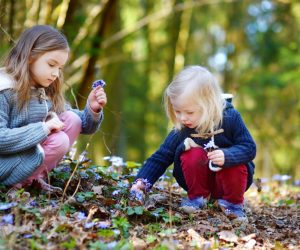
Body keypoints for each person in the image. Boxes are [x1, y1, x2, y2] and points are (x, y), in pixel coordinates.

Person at [131, 65, 256, 223]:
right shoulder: (183, 128)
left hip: (230, 184)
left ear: (209, 104)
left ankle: (232, 205)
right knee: (190, 153)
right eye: (178, 111)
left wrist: (228, 155)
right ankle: (198, 198)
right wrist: (142, 182)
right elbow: (161, 157)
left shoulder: (230, 118)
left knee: (235, 162)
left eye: (189, 112)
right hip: (199, 182)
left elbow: (249, 147)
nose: (183, 118)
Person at [0, 25, 107, 192]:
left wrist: (93, 109)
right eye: (51, 64)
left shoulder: (45, 90)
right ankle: (14, 186)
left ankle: (33, 179)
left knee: (72, 119)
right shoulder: (4, 88)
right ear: (29, 56)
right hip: (4, 163)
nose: (56, 73)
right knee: (59, 141)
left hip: (23, 159)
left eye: (59, 68)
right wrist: (43, 128)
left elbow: (82, 125)